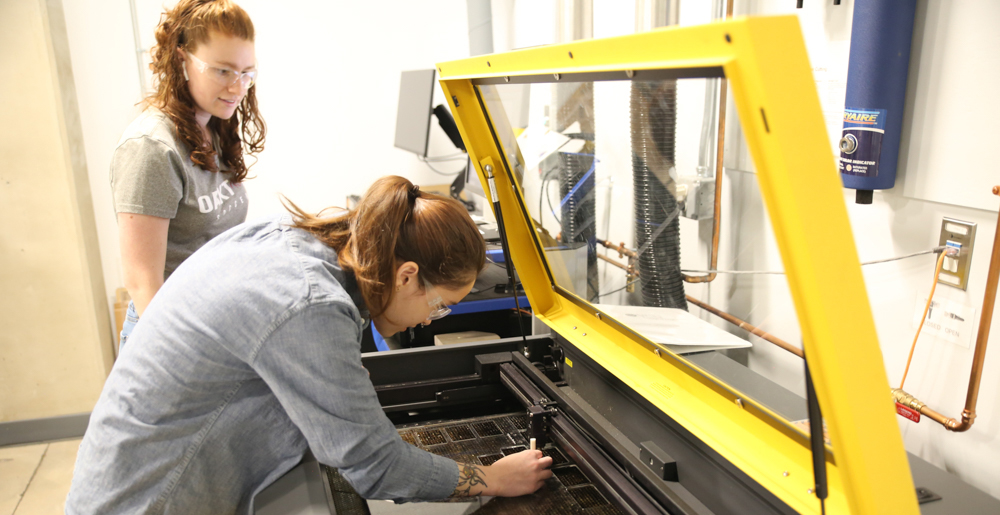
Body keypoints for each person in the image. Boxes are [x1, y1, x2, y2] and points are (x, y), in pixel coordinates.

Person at [66, 176, 553, 514]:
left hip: (129, 470)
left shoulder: (294, 243)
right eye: (442, 304)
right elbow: (376, 466)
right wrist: (494, 476)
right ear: (408, 276)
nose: (433, 318)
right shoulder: (310, 304)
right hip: (151, 497)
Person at [113, 0, 265, 349]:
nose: (238, 88)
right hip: (168, 332)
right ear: (183, 61)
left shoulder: (215, 128)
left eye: (247, 73)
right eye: (222, 71)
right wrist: (189, 353)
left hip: (211, 319)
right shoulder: (152, 148)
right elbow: (142, 283)